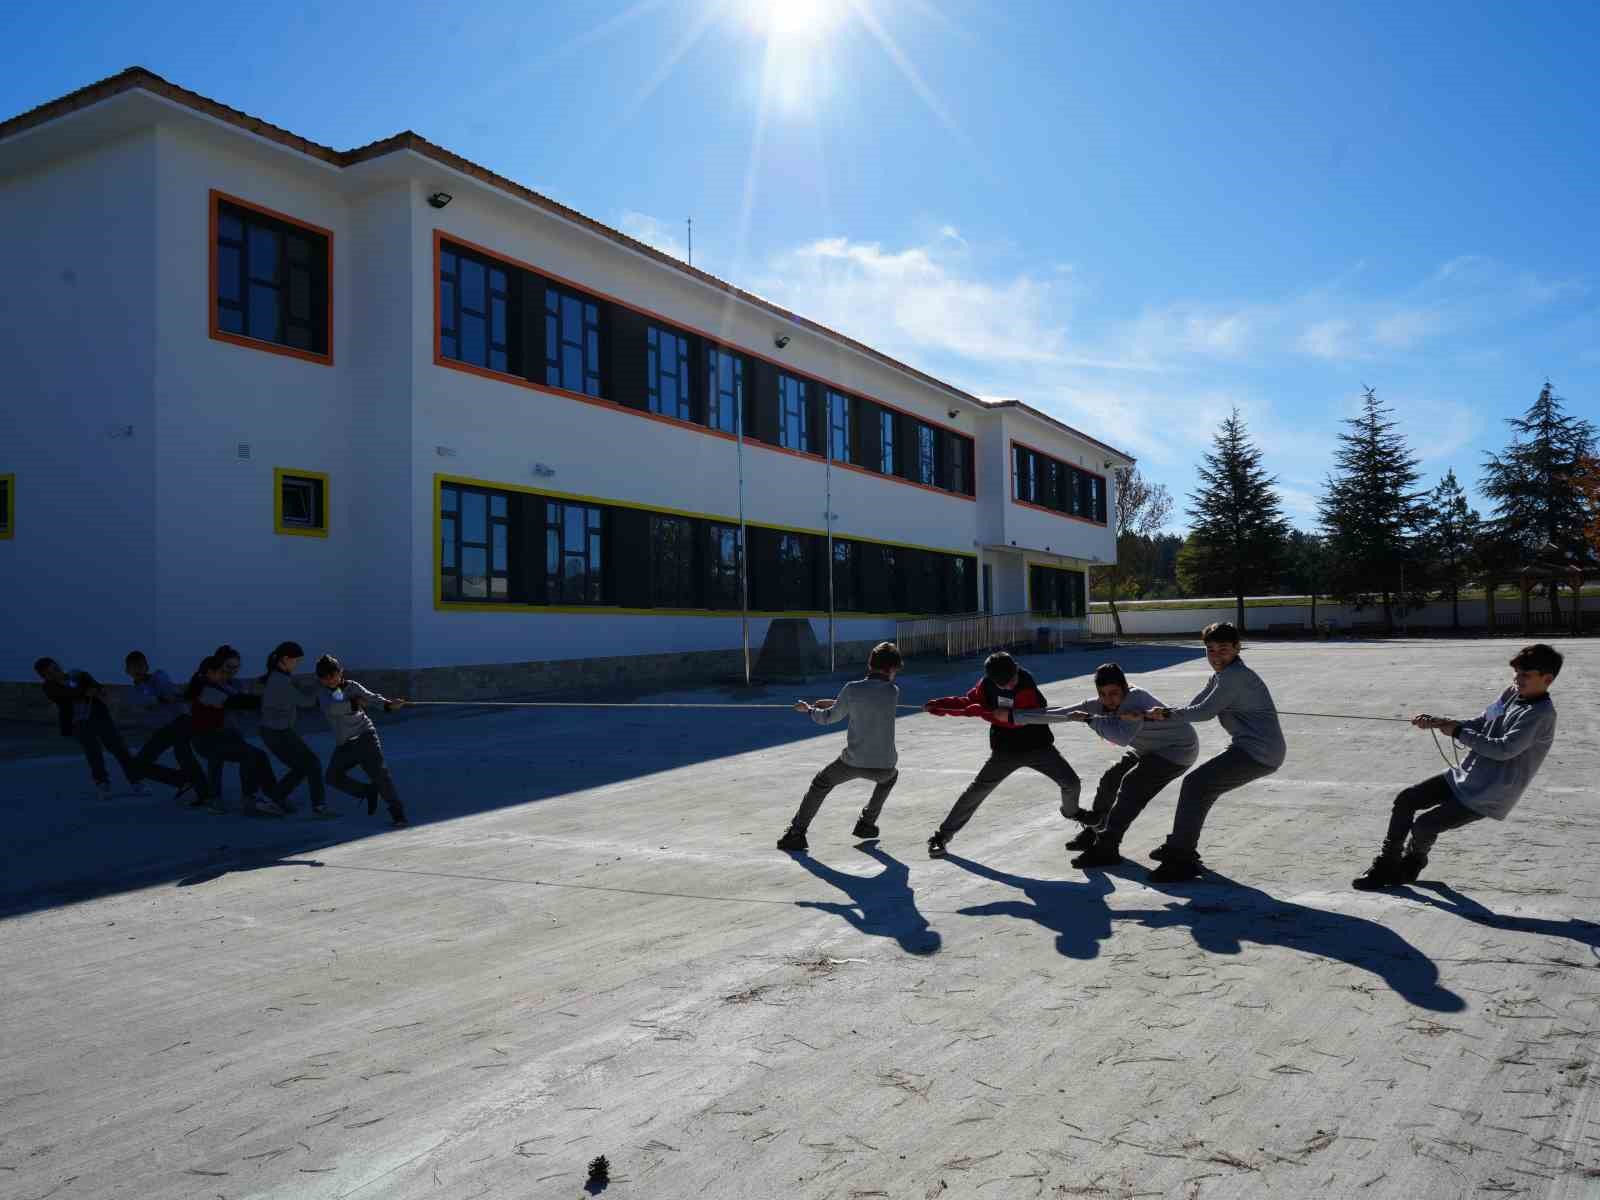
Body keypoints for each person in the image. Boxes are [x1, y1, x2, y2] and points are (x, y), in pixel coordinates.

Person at [1353, 643, 1561, 891]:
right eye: (1516, 673)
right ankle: (1386, 863)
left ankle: (1412, 862)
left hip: (1487, 794)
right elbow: (1482, 722)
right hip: (1464, 775)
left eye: (1525, 675)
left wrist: (1459, 731)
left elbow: (1505, 749)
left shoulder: (1541, 715)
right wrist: (1442, 723)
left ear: (1547, 679)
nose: (1518, 679)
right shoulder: (1512, 693)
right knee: (1406, 799)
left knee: (1424, 826)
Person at [988, 662, 1199, 869]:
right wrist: (1015, 716)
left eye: (1115, 693)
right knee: (1110, 779)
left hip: (1177, 749)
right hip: (1147, 748)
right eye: (1103, 694)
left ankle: (1107, 847)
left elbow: (1121, 737)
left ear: (1125, 687)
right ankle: (1094, 830)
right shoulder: (1098, 704)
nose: (1109, 700)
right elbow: (1061, 713)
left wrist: (1091, 720)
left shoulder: (1137, 700)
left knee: (1133, 785)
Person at [1127, 622, 1286, 881]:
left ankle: (1181, 857)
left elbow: (1203, 713)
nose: (1215, 656)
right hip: (1249, 748)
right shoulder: (1222, 675)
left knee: (1196, 785)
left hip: (1260, 752)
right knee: (1199, 788)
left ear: (1237, 647)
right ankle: (1181, 845)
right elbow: (1193, 706)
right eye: (1210, 650)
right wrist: (1149, 715)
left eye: (1223, 649)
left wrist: (1163, 714)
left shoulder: (1235, 676)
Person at [923, 651, 1085, 859]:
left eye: (1010, 681)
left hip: (1038, 747)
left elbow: (1017, 719)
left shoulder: (1026, 686)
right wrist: (941, 705)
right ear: (991, 679)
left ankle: (1072, 812)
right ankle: (942, 836)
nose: (1008, 686)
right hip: (1005, 750)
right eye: (1001, 685)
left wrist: (982, 713)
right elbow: (969, 702)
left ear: (1016, 668)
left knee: (1071, 783)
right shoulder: (986, 684)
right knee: (976, 791)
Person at [777, 642, 904, 853]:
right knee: (890, 777)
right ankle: (866, 823)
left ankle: (796, 834)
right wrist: (838, 701)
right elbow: (869, 701)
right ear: (891, 669)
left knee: (821, 783)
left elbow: (828, 719)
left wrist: (808, 710)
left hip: (853, 761)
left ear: (870, 664)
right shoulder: (893, 691)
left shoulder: (851, 689)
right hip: (884, 765)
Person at [34, 657, 151, 799]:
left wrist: (97, 690)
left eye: (56, 668)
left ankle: (136, 781)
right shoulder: (48, 687)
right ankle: (103, 785)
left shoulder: (78, 674)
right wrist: (85, 692)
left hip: (100, 717)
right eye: (51, 672)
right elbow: (66, 696)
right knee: (93, 754)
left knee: (119, 748)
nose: (56, 672)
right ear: (45, 676)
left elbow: (96, 687)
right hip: (79, 723)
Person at [314, 655, 409, 828]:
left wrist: (389, 705)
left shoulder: (353, 687)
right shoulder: (322, 694)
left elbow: (372, 698)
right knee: (332, 776)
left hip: (365, 737)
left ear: (340, 672)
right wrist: (355, 703)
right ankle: (367, 791)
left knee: (380, 775)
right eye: (324, 677)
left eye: (332, 675)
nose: (329, 680)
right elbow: (333, 709)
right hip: (345, 744)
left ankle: (398, 814)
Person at [186, 655, 285, 816]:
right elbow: (237, 701)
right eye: (222, 672)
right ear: (210, 673)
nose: (226, 676)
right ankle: (248, 800)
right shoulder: (206, 690)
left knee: (260, 756)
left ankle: (275, 796)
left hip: (220, 737)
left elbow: (241, 699)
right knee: (249, 756)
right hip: (206, 741)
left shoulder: (218, 686)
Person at [257, 641, 331, 817]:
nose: (297, 665)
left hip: (276, 731)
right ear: (285, 659)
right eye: (296, 661)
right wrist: (320, 683)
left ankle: (273, 800)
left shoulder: (279, 677)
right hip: (277, 732)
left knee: (302, 767)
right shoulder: (279, 681)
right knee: (312, 764)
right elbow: (307, 702)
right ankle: (319, 807)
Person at [124, 650, 207, 803]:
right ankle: (183, 781)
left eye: (140, 665)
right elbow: (146, 703)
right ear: (127, 670)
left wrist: (162, 697)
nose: (137, 669)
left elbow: (169, 694)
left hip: (181, 721)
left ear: (146, 666)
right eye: (133, 666)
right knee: (137, 766)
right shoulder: (133, 692)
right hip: (163, 730)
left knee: (183, 753)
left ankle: (203, 792)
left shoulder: (159, 677)